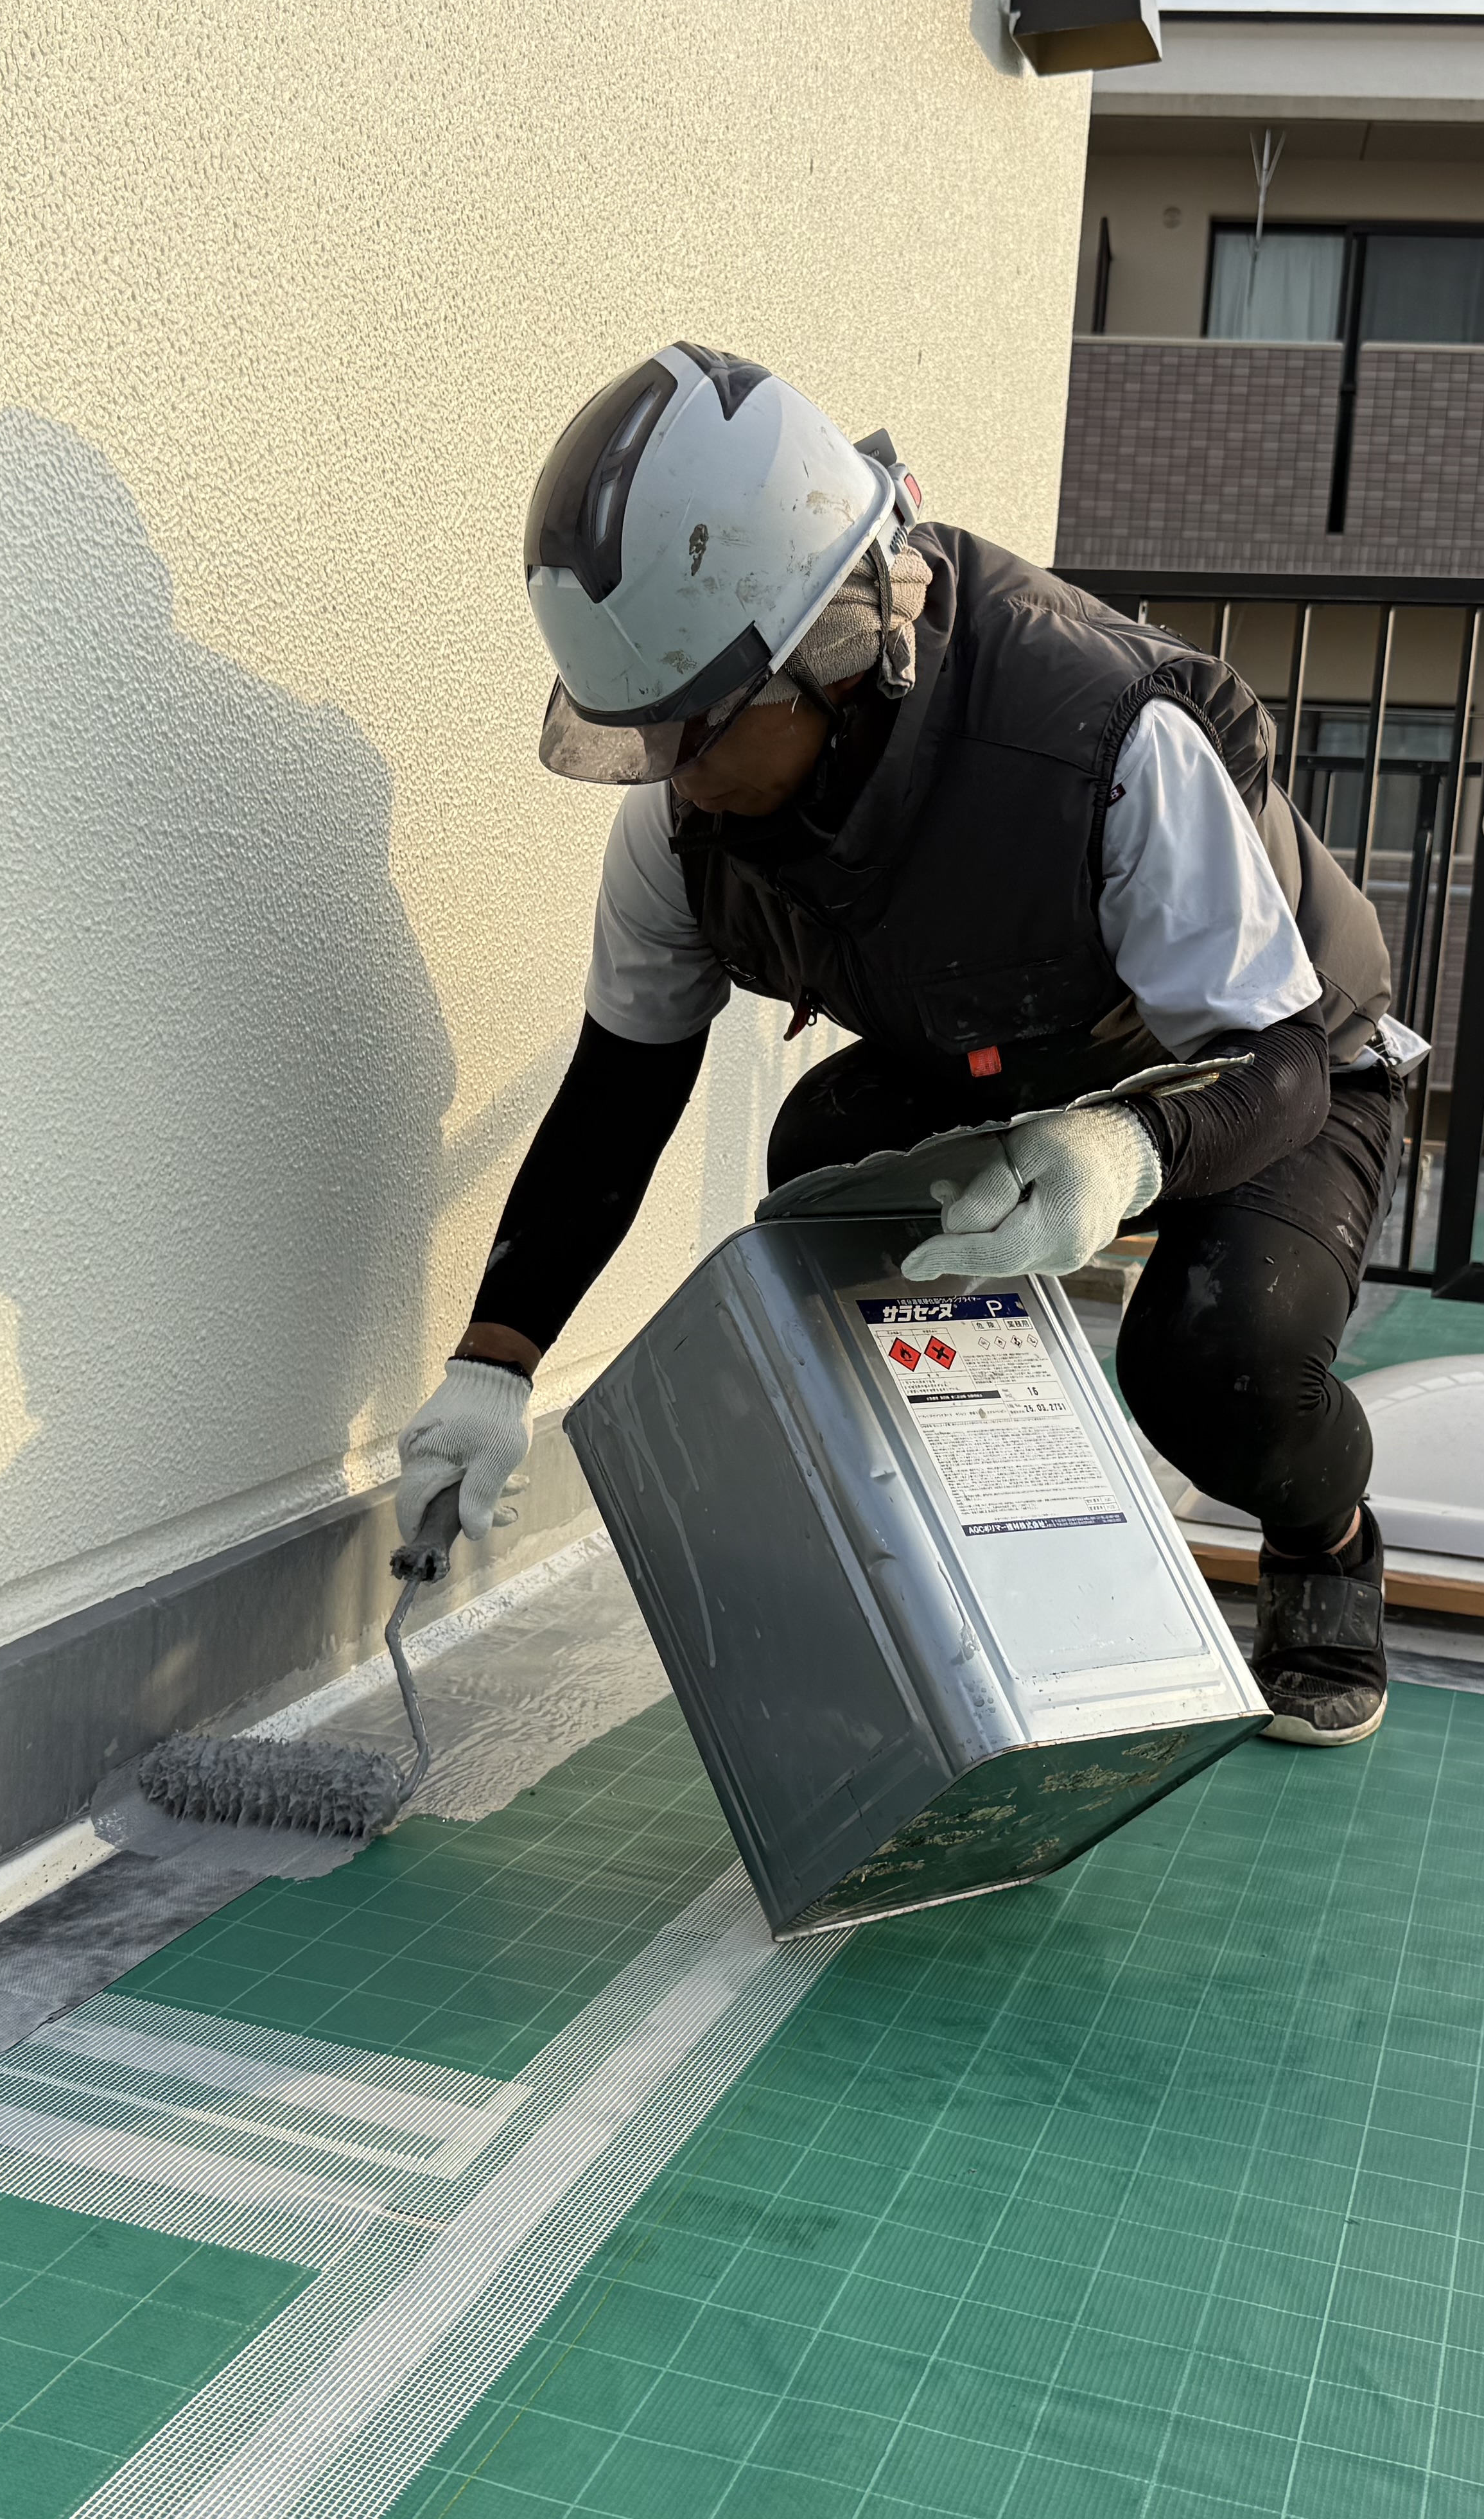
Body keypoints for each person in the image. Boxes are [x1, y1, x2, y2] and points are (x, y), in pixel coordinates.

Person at [395, 344, 1414, 1746]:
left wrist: (1125, 1152)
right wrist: (492, 1366)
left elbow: (1278, 1061)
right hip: (1011, 1049)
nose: (671, 775)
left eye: (698, 730)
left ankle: (1327, 1542)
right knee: (826, 1170)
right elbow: (618, 1096)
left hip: (1274, 1069)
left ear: (834, 650)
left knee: (1214, 1362)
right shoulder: (683, 826)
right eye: (646, 737)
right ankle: (967, 1551)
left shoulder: (1102, 742)